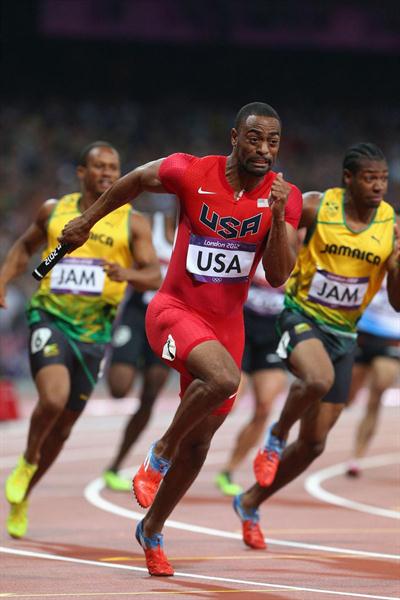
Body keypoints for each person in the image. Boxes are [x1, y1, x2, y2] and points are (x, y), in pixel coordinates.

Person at [58, 102, 303, 576]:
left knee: (202, 443)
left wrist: (275, 217)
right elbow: (132, 180)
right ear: (235, 138)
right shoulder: (190, 171)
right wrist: (88, 220)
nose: (264, 150)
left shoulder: (284, 196)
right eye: (255, 138)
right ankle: (159, 452)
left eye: (273, 141)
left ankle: (151, 530)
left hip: (226, 326)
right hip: (174, 310)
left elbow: (276, 275)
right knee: (226, 379)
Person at [232, 142, 400, 551]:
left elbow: (397, 302)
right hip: (300, 316)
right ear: (348, 179)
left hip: (345, 334)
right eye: (369, 178)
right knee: (318, 379)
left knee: (315, 444)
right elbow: (271, 243)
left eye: (383, 178)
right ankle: (275, 436)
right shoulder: (316, 206)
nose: (378, 186)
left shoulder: (391, 225)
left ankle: (250, 501)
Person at [1, 141, 161, 539]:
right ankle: (27, 459)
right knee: (52, 399)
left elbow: (154, 275)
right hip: (51, 317)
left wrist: (128, 276)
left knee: (65, 427)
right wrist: (4, 279)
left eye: (114, 167)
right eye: (99, 166)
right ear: (82, 173)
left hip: (96, 333)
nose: (108, 173)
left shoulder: (131, 222)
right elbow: (24, 248)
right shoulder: (54, 210)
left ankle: (25, 495)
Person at [103, 210, 176, 491]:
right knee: (119, 387)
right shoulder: (152, 226)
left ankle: (115, 464)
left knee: (150, 395)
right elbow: (138, 270)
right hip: (137, 312)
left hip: (168, 318)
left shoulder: (194, 236)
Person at [215, 261, 287, 496]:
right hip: (241, 324)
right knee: (228, 402)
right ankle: (179, 452)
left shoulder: (306, 252)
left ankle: (228, 470)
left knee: (265, 407)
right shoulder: (258, 239)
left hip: (274, 334)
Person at [346, 276, 400, 477]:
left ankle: (356, 457)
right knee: (345, 399)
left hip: (392, 339)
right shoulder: (380, 247)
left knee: (377, 393)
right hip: (363, 333)